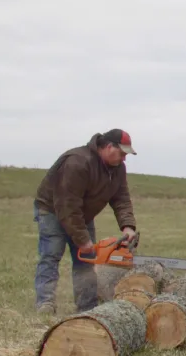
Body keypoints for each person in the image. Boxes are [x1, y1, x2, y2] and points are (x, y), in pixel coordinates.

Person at [32, 129, 138, 314]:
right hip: (53, 211)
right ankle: (45, 302)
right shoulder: (78, 162)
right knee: (51, 255)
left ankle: (87, 306)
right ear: (108, 147)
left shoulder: (118, 168)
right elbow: (67, 205)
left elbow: (121, 198)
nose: (123, 159)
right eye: (121, 153)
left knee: (87, 259)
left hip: (82, 214)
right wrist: (82, 238)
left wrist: (127, 226)